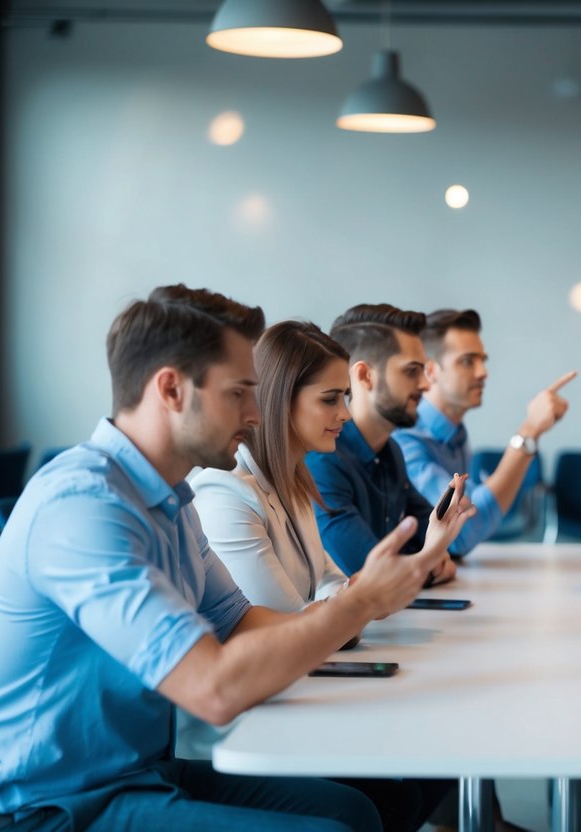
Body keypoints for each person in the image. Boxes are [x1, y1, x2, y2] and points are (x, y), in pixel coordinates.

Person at [0, 286, 455, 831]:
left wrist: (363, 598)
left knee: (354, 811)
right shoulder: (83, 507)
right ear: (170, 389)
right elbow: (213, 690)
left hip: (140, 772)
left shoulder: (172, 498)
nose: (258, 414)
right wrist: (360, 603)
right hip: (49, 806)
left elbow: (242, 621)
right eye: (240, 392)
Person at [187, 320, 469, 830]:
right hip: (247, 726)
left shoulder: (294, 482)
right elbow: (293, 626)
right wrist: (352, 605)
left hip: (292, 697)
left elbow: (333, 588)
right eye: (330, 399)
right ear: (280, 401)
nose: (345, 414)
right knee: (395, 790)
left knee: (434, 767)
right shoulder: (226, 493)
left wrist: (347, 606)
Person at [395, 308, 576, 555]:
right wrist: (529, 431)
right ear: (430, 371)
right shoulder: (404, 440)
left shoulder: (456, 433)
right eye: (468, 361)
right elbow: (459, 534)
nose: (483, 372)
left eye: (483, 360)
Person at [305, 304, 458, 582]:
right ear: (364, 376)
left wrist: (421, 560)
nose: (425, 384)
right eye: (412, 371)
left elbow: (433, 533)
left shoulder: (391, 452)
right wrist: (427, 566)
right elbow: (373, 575)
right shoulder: (322, 459)